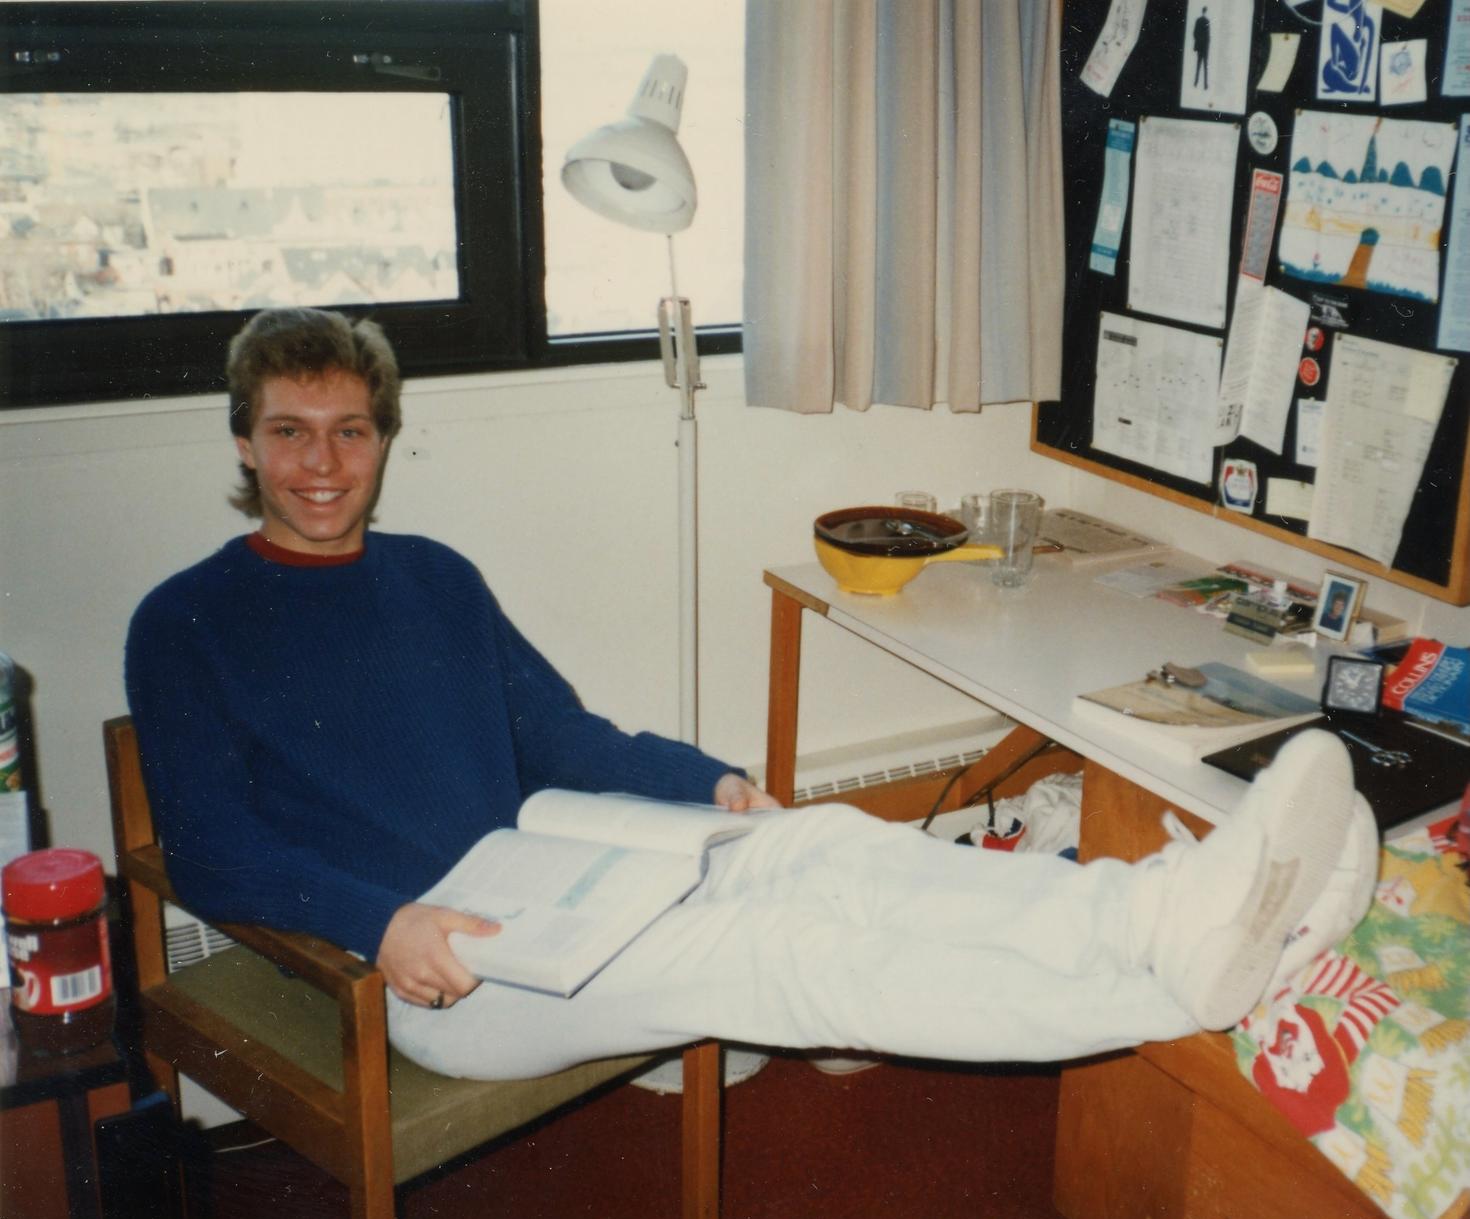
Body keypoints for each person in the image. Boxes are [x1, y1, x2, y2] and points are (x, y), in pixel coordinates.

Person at [127, 308, 1376, 1081]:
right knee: (775, 955)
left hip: (543, 870)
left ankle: (1163, 913)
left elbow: (556, 732)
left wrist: (710, 781)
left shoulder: (433, 577)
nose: (323, 464)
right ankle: (1193, 971)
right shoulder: (186, 620)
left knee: (811, 839)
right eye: (291, 432)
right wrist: (385, 921)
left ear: (384, 436)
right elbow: (215, 847)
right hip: (432, 966)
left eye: (350, 431)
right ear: (243, 439)